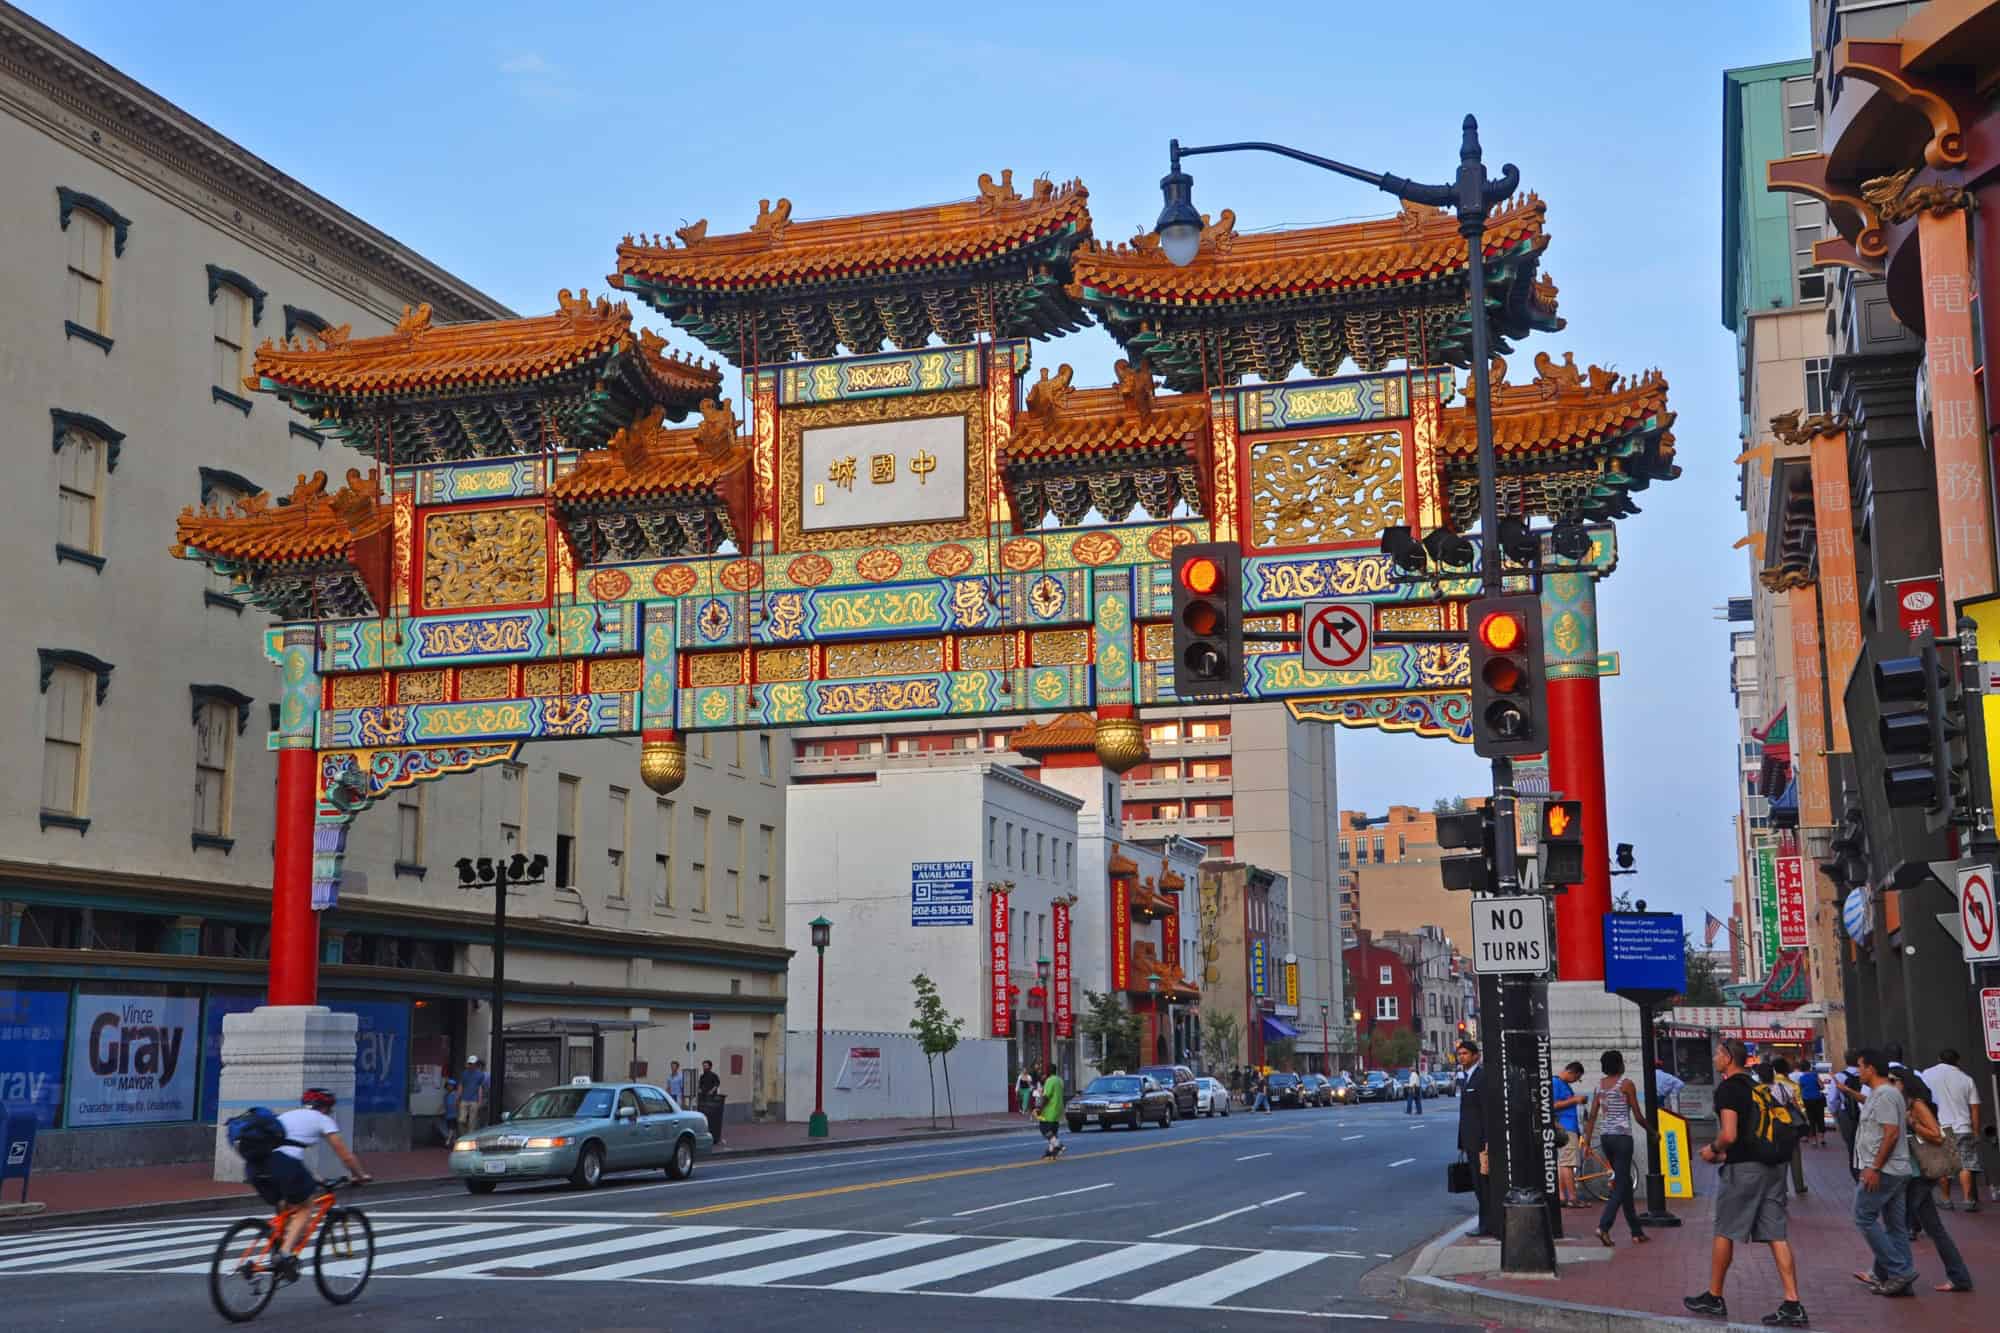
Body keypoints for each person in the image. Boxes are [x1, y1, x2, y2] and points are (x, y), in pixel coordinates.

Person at [1685, 1038, 1804, 1327]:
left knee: (1725, 1229)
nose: (1714, 1058)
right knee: (1776, 1234)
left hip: (1745, 1169)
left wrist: (1712, 1151)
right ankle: (1793, 1302)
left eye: (1717, 1054)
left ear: (1727, 1057)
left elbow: (1729, 1134)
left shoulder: (1729, 1089)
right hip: (1774, 1167)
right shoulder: (1756, 1087)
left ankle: (1714, 1297)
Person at [245, 1089, 370, 1285]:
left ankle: (277, 1252)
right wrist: (360, 1175)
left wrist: (315, 1177)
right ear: (326, 1108)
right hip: (283, 1165)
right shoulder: (321, 1119)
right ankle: (285, 1256)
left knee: (286, 1207)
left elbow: (292, 1152)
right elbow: (345, 1155)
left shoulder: (287, 1116)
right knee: (305, 1207)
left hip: (255, 1166)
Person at [1887, 1066, 1973, 1293]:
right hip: (1917, 1174)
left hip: (1922, 1174)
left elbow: (1935, 1134)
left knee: (1898, 1222)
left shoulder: (1916, 1105)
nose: (1890, 1084)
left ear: (1903, 1083)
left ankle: (1883, 1271)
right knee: (1932, 1227)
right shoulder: (1905, 1105)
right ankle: (1959, 1276)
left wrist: (1912, 1124)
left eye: (1893, 1080)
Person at [1849, 1048, 1918, 1297]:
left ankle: (1899, 1271)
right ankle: (1902, 1278)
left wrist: (1874, 1167)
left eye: (1860, 1066)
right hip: (1893, 1169)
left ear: (1871, 1068)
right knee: (1895, 1226)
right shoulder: (1881, 1094)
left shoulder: (1886, 1094)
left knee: (1862, 1216)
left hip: (1886, 1170)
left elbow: (1891, 1133)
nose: (1858, 1071)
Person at [1582, 1050, 1649, 1247]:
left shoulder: (1599, 1086)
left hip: (1606, 1138)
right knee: (1621, 1184)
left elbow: (1593, 1116)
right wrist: (1652, 1131)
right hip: (1622, 1138)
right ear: (1619, 1064)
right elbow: (1637, 1115)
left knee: (1624, 1181)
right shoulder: (1626, 1084)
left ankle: (1636, 1232)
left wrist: (1586, 1142)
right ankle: (1604, 1226)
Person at [1919, 1048, 1982, 1214]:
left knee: (1943, 1165)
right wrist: (1975, 1131)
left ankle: (1946, 1199)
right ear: (1958, 1061)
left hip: (1938, 1126)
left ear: (1939, 1059)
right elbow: (1975, 1108)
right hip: (1962, 1127)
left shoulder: (1927, 1074)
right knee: (1965, 1164)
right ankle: (1968, 1200)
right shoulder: (1966, 1079)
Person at [1456, 1040, 1497, 1239]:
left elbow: (1487, 1111)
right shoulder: (1466, 1078)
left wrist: (1487, 1141)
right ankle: (1486, 1222)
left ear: (1475, 1056)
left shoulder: (1481, 1078)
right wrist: (1461, 1142)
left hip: (1481, 1142)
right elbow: (1466, 1114)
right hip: (1470, 1141)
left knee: (1483, 1185)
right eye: (1460, 1053)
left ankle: (1486, 1224)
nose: (1461, 1057)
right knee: (1478, 1185)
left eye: (1465, 1053)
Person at [1766, 1059, 1807, 1197]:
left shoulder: (1766, 1087)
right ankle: (1799, 1185)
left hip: (1775, 1125)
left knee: (1780, 1156)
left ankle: (1781, 1187)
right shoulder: (1791, 1086)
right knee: (1795, 1154)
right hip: (1790, 1124)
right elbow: (1798, 1105)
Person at [1553, 1061, 1587, 1209]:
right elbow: (1552, 1105)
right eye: (1577, 1078)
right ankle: (1573, 1198)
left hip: (1567, 1127)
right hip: (1565, 1127)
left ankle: (1561, 1196)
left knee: (1562, 1163)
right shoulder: (1556, 1083)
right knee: (1568, 1163)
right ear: (1571, 1072)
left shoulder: (1563, 1084)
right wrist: (1575, 1100)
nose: (1575, 1081)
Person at [1037, 1065, 1065, 1158]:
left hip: (1050, 1110)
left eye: (1046, 1071)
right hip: (1058, 1109)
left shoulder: (1050, 1080)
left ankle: (1058, 1145)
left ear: (1049, 1071)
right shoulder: (1060, 1080)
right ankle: (1051, 1150)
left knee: (1044, 1128)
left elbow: (1046, 1097)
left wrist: (1040, 1108)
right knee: (1053, 1130)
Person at [1794, 1062, 1825, 1146]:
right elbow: (1822, 1087)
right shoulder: (1815, 1075)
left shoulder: (1801, 1078)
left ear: (1801, 1069)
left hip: (1807, 1100)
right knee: (1820, 1118)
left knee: (1811, 1119)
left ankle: (1814, 1140)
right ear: (1809, 1067)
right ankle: (1822, 1138)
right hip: (1818, 1099)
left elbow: (1799, 1089)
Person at [457, 1054, 488, 1133]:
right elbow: (461, 1086)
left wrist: (480, 1101)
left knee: (472, 1121)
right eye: (469, 1063)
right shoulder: (464, 1073)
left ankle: (469, 1137)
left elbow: (480, 1088)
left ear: (476, 1064)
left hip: (474, 1100)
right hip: (464, 1099)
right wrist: (458, 1097)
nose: (470, 1065)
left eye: (472, 1063)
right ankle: (463, 1135)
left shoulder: (480, 1075)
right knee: (461, 1120)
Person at [437, 1075, 460, 1147]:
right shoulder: (446, 1095)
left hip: (455, 1114)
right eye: (448, 1086)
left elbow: (457, 1103)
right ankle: (454, 1142)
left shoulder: (455, 1094)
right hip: (448, 1115)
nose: (450, 1087)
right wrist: (439, 1110)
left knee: (452, 1128)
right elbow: (444, 1104)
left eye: (452, 1086)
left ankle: (448, 1141)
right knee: (452, 1128)